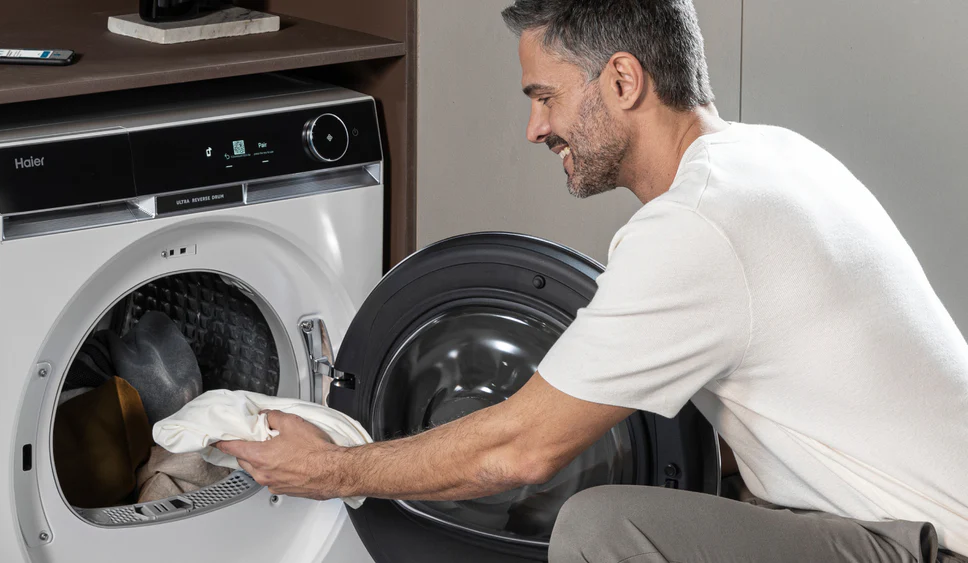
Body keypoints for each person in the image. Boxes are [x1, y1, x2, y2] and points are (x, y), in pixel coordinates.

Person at [216, 1, 968, 561]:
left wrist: (333, 469)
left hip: (924, 547)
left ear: (621, 80)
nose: (535, 129)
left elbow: (515, 453)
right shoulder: (770, 160)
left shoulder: (697, 226)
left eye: (544, 96)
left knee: (602, 527)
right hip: (893, 519)